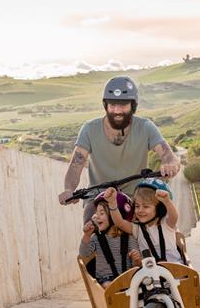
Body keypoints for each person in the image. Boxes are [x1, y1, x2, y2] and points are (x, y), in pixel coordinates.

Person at [58, 76, 180, 223]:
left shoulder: (145, 127)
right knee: (90, 226)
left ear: (132, 106)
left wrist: (170, 164)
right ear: (105, 105)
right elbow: (76, 165)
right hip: (98, 196)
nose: (117, 110)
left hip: (135, 196)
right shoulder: (90, 129)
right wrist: (69, 189)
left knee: (150, 232)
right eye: (112, 105)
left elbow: (167, 154)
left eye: (123, 105)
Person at [104, 178, 184, 264]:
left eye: (146, 206)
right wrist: (112, 203)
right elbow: (119, 223)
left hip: (175, 270)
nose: (140, 210)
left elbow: (174, 216)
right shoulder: (137, 228)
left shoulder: (166, 223)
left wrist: (167, 201)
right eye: (137, 206)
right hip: (150, 273)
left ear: (160, 209)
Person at [79, 191, 141, 288]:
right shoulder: (96, 238)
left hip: (126, 279)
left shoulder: (129, 238)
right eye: (96, 213)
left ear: (115, 216)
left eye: (102, 213)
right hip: (105, 280)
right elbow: (84, 253)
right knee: (109, 285)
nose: (97, 216)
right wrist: (86, 236)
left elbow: (137, 266)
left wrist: (137, 260)